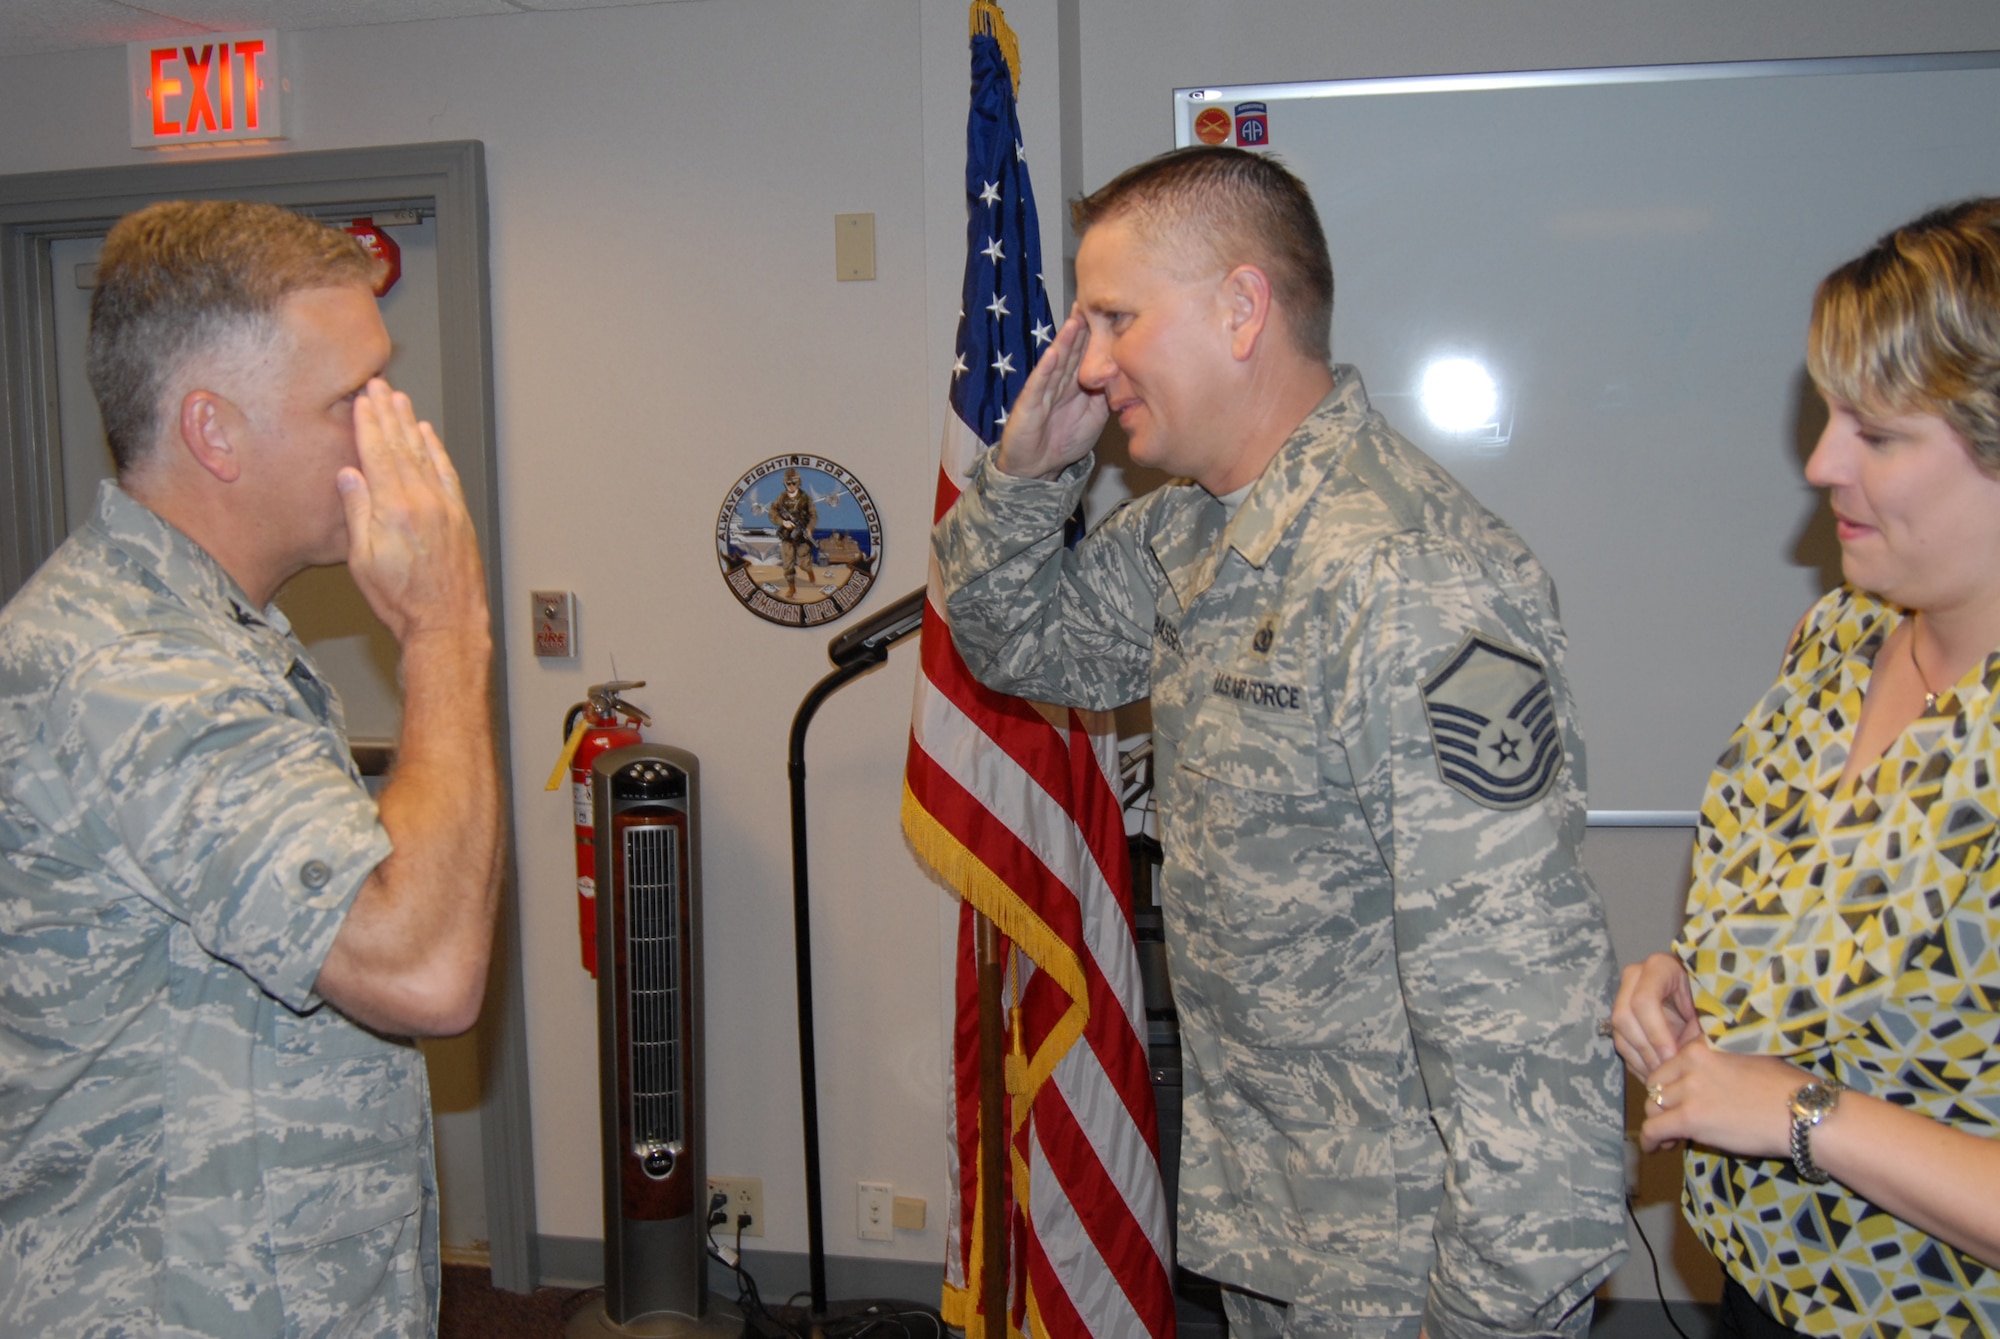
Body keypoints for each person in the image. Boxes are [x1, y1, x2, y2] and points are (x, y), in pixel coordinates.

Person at [934, 146, 1627, 1339]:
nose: (1089, 365)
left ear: (1240, 308)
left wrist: (1494, 1313)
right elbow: (1014, 643)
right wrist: (1021, 481)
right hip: (1275, 1217)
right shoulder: (1194, 534)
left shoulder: (1406, 576)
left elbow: (1515, 1009)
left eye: (1113, 319)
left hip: (1414, 1266)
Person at [0, 199, 501, 1336]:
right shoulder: (130, 669)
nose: (392, 432)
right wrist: (445, 630)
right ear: (215, 432)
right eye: (349, 402)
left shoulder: (208, 632)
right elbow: (422, 967)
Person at [1612, 199, 2000, 1336]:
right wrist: (1683, 983)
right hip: (1764, 1285)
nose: (1820, 461)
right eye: (1830, 417)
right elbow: (1807, 903)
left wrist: (1796, 1109)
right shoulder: (1838, 638)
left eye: (1876, 434)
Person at [772, 467, 818, 598]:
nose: (791, 486)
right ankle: (792, 588)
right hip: (787, 535)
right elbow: (773, 512)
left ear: (799, 483)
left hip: (802, 535)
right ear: (785, 483)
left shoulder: (805, 498)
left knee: (804, 563)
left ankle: (810, 573)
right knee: (787, 563)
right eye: (788, 483)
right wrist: (783, 522)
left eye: (794, 483)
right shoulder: (781, 498)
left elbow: (813, 515)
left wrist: (809, 528)